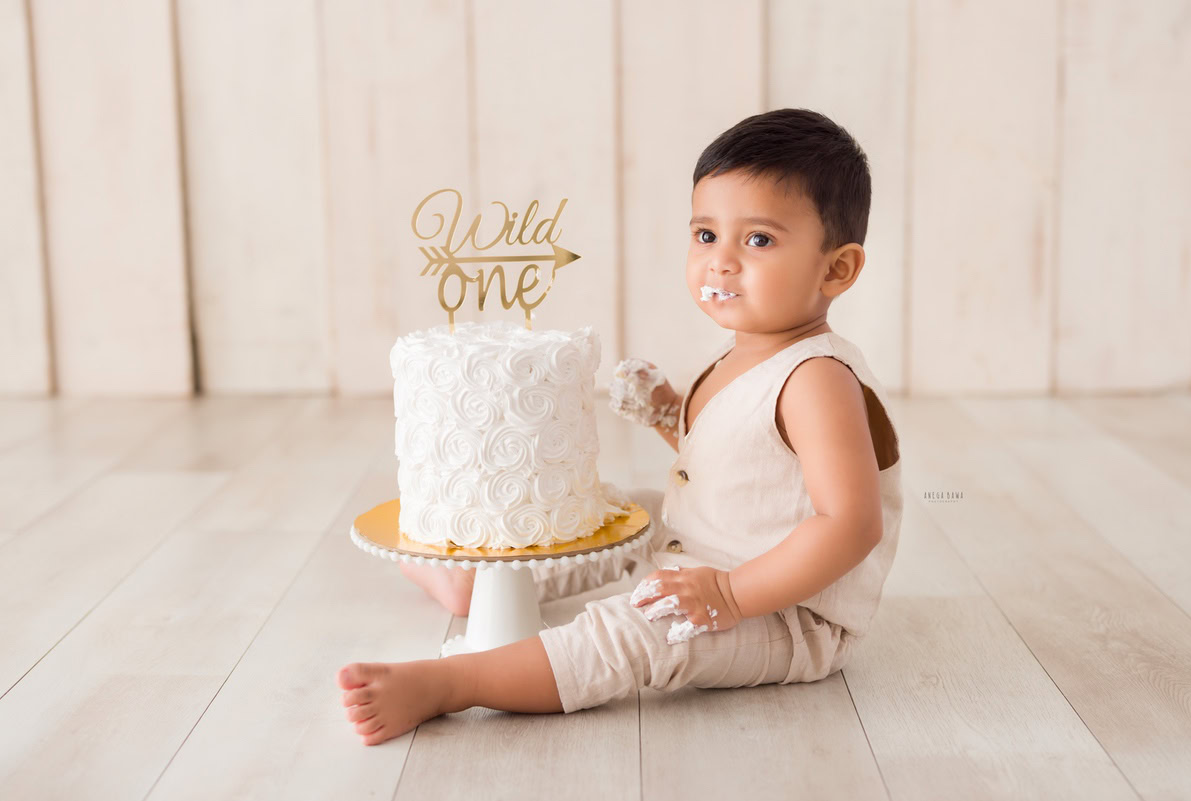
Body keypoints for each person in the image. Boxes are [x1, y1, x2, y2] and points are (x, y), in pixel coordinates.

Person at [337, 108, 903, 745]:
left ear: (837, 269)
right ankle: (483, 582)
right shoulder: (752, 348)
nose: (719, 263)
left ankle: (456, 683)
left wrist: (731, 595)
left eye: (759, 240)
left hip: (788, 610)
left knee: (640, 632)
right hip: (712, 548)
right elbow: (738, 460)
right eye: (706, 235)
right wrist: (667, 410)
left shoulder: (817, 380)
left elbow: (851, 523)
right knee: (616, 519)